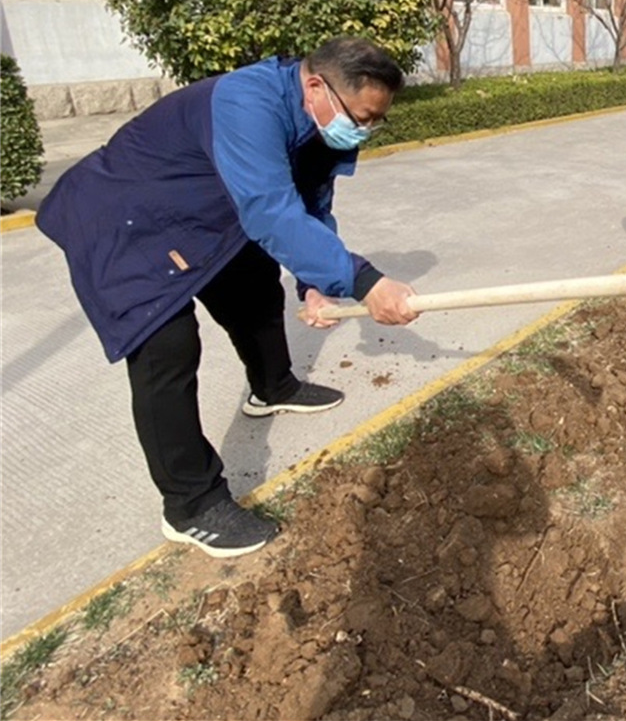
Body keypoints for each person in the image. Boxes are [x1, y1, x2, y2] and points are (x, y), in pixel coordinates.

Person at [37, 37, 420, 559]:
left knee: (254, 286)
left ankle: (273, 386)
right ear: (316, 85)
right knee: (165, 345)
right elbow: (269, 211)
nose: (366, 130)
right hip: (121, 217)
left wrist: (315, 281)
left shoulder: (321, 118)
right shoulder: (247, 103)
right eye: (363, 117)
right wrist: (365, 281)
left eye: (377, 121)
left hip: (202, 213)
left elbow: (308, 205)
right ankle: (190, 506)